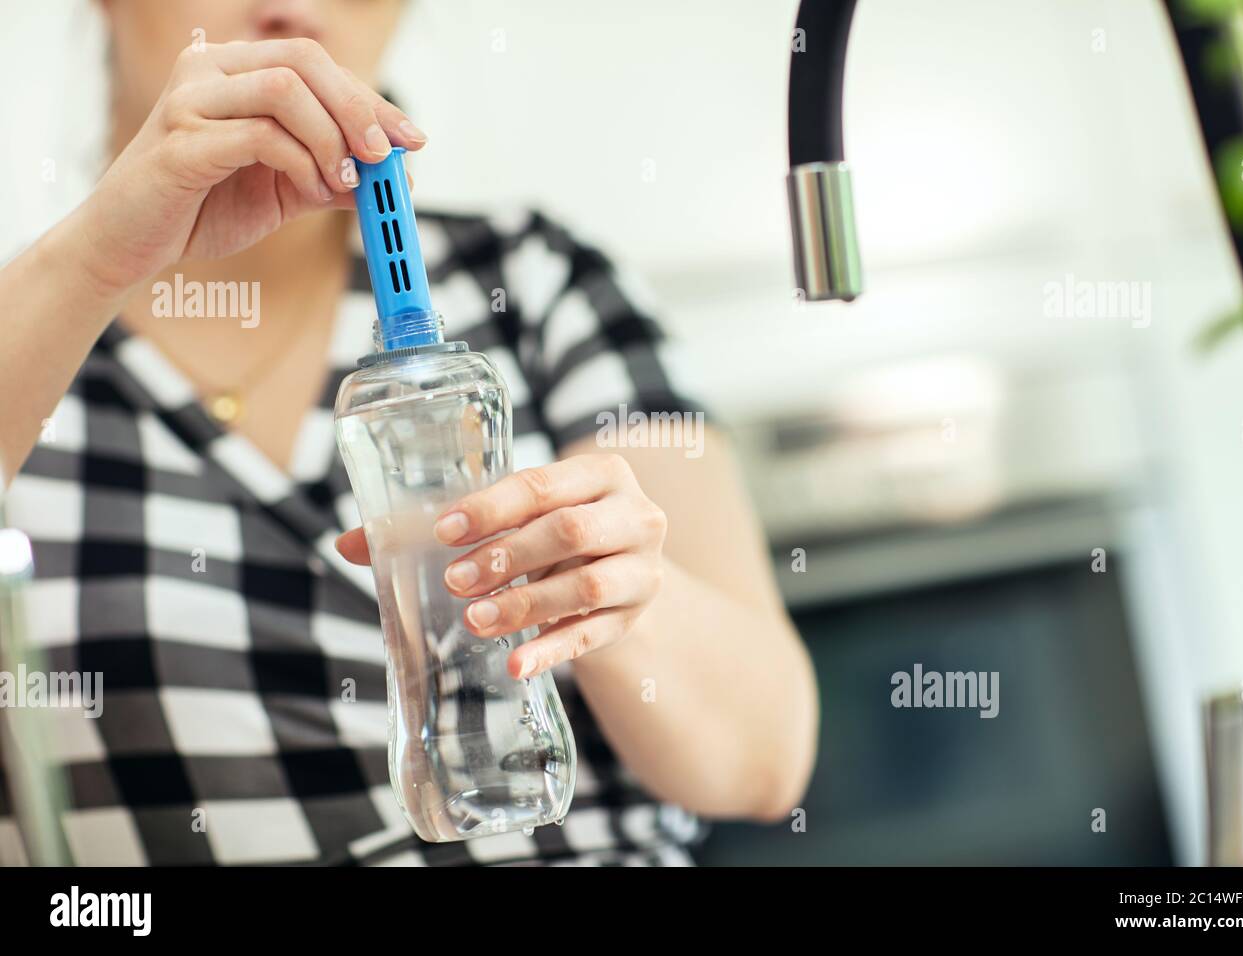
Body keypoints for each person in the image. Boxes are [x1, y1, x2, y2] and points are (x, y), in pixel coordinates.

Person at [0, 0, 817, 866]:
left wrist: (609, 595)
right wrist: (97, 260)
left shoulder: (534, 284)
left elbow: (763, 765)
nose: (296, 4)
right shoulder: (33, 344)